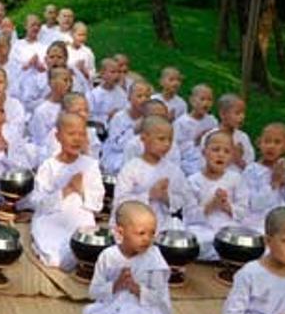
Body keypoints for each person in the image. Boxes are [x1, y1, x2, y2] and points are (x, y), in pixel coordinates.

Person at [84, 200, 172, 314]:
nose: (147, 239)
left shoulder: (155, 258)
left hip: (144, 313)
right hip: (112, 310)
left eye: (152, 233)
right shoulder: (108, 256)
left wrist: (136, 288)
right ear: (120, 232)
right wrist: (116, 285)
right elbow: (94, 292)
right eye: (141, 233)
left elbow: (158, 296)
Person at [31, 112, 104, 270]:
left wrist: (81, 190)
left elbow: (97, 204)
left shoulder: (90, 165)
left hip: (80, 216)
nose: (77, 139)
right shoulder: (49, 166)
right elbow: (38, 202)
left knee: (82, 245)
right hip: (51, 218)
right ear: (58, 137)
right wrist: (67, 189)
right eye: (71, 134)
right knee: (54, 257)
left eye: (81, 134)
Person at [113, 115, 192, 230]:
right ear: (144, 139)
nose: (166, 144)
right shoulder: (131, 168)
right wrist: (149, 195)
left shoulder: (173, 170)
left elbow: (182, 199)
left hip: (163, 223)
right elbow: (120, 202)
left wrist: (166, 197)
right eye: (161, 139)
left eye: (170, 140)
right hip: (134, 222)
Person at [185, 130, 247, 261]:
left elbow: (243, 211)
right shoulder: (193, 181)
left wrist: (227, 206)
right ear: (204, 152)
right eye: (215, 150)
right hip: (202, 228)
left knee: (239, 241)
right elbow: (188, 215)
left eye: (226, 151)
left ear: (232, 156)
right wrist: (211, 205)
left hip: (228, 228)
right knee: (194, 242)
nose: (221, 155)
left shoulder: (236, 179)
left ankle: (222, 254)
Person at [241, 122, 285, 231]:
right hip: (255, 220)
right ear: (259, 143)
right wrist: (274, 184)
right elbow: (254, 204)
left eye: (277, 142)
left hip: (281, 219)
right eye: (267, 141)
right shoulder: (251, 170)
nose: (271, 146)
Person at [103, 76, 152, 174]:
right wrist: (134, 131)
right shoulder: (119, 118)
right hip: (118, 155)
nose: (144, 100)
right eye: (139, 96)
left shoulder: (150, 118)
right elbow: (115, 145)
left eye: (147, 96)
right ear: (129, 97)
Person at [172, 84, 217, 175]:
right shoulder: (182, 122)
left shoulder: (212, 121)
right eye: (202, 99)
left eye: (209, 100)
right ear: (192, 101)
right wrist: (195, 141)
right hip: (188, 161)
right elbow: (176, 146)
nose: (206, 103)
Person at [20, 41, 68, 113]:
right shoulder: (35, 80)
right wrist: (49, 100)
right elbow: (27, 104)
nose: (55, 60)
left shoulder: (72, 80)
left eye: (59, 57)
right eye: (51, 57)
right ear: (46, 59)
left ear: (65, 60)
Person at [214, 93, 254, 171]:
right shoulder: (211, 137)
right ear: (222, 114)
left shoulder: (243, 138)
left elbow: (250, 168)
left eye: (243, 113)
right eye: (237, 113)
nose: (242, 117)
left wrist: (238, 159)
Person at [89, 58, 127, 124]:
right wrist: (107, 117)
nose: (116, 75)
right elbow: (89, 117)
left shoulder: (121, 92)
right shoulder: (94, 95)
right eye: (113, 72)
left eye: (118, 72)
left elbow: (126, 109)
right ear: (102, 74)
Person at [66, 22, 95, 94]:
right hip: (70, 88)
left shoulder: (88, 52)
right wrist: (72, 70)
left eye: (84, 35)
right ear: (72, 34)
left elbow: (92, 71)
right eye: (79, 35)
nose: (82, 38)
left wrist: (84, 71)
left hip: (84, 89)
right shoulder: (66, 50)